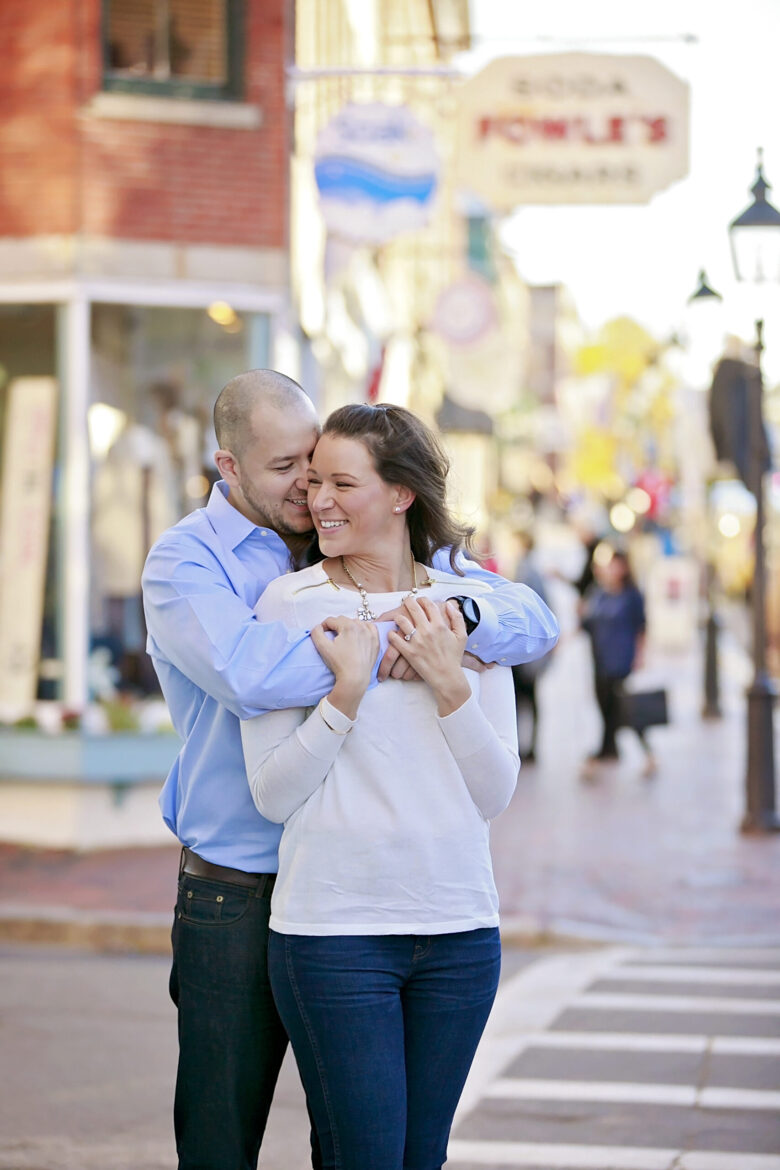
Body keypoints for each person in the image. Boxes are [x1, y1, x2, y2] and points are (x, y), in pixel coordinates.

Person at [141, 370, 559, 1170]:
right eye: (286, 468)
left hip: (359, 894)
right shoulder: (185, 563)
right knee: (222, 1139)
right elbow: (248, 674)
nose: (309, 487)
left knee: (360, 1143)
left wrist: (457, 618)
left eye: (321, 465)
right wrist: (385, 649)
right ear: (228, 468)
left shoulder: (357, 529)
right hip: (238, 886)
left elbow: (528, 618)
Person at [241, 403, 522, 1170]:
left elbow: (495, 791)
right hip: (334, 935)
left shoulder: (472, 609)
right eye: (312, 481)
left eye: (341, 482)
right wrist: (345, 694)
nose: (318, 499)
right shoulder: (289, 606)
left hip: (460, 931)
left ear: (401, 494)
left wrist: (448, 684)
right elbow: (272, 794)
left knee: (419, 1158)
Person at [579, 547, 655, 777]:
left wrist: (641, 656)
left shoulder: (631, 595)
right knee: (606, 708)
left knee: (622, 709)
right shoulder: (600, 593)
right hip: (600, 659)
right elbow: (587, 623)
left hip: (620, 659)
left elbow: (642, 627)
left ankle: (604, 754)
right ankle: (608, 751)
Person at [510, 530, 554, 761]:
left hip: (524, 647)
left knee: (523, 698)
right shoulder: (531, 569)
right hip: (529, 647)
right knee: (529, 698)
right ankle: (529, 744)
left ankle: (525, 745)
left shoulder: (525, 570)